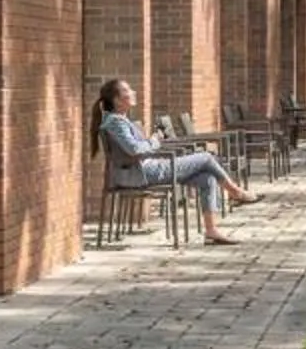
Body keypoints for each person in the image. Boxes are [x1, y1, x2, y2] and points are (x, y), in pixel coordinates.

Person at [90, 78, 257, 246]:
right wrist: (154, 141)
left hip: (146, 169)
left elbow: (137, 148)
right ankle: (235, 192)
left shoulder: (119, 119)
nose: (133, 92)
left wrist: (153, 141)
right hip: (142, 173)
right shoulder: (115, 122)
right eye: (128, 91)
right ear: (117, 100)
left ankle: (211, 231)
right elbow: (134, 149)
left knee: (207, 178)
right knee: (206, 157)